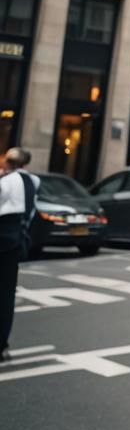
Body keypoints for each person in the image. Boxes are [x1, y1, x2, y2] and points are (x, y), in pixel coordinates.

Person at [0, 147, 40, 363]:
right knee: (6, 296)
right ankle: (2, 345)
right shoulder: (33, 181)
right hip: (17, 242)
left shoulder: (6, 182)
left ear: (8, 162)